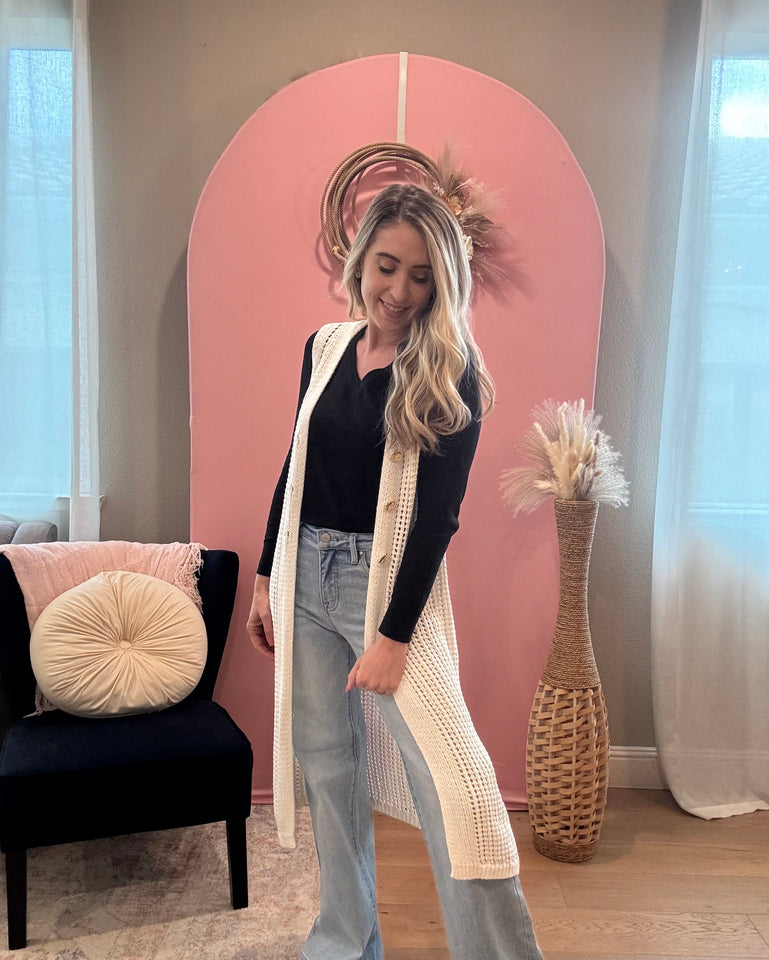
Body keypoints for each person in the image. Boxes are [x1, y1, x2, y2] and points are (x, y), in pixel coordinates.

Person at [247, 183, 542, 960]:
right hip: (303, 575)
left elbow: (435, 520)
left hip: (380, 592)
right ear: (360, 260)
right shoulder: (323, 347)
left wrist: (393, 637)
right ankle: (345, 942)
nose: (400, 292)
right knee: (326, 769)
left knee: (456, 786)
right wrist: (265, 578)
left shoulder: (450, 374)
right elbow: (295, 466)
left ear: (443, 282)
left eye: (421, 276)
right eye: (387, 266)